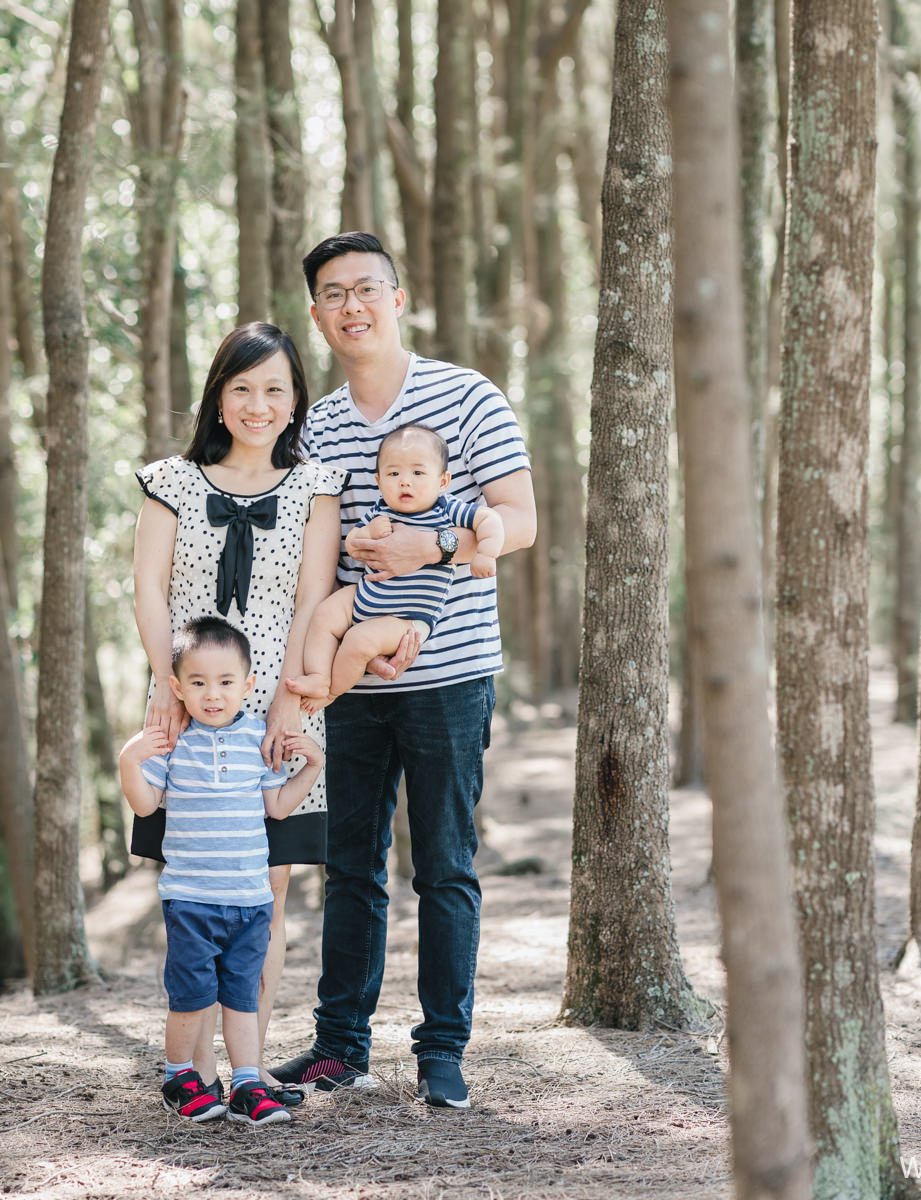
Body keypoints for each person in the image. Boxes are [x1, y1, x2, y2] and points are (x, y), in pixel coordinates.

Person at [275, 232, 537, 1110]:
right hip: (353, 685)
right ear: (316, 314)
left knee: (445, 867)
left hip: (450, 676)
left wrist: (436, 541)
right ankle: (340, 1046)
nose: (352, 306)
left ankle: (443, 1051)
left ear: (396, 297)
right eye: (333, 295)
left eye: (366, 289)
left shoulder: (466, 395)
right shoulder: (317, 425)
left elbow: (521, 520)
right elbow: (315, 555)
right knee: (351, 867)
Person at [131, 322, 346, 1103]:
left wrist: (289, 702)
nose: (259, 405)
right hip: (190, 703)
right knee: (194, 885)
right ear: (220, 398)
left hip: (280, 709)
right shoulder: (171, 481)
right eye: (243, 387)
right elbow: (148, 590)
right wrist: (166, 685)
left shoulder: (317, 488)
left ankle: (249, 1071)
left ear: (296, 404)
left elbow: (313, 602)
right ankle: (198, 1071)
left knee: (270, 887)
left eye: (275, 390)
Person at [119, 616, 325, 1125]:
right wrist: (128, 761)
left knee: (242, 999)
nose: (213, 694)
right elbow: (146, 806)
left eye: (226, 682)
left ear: (249, 684)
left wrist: (314, 766)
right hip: (191, 899)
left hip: (251, 900)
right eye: (198, 682)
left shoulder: (259, 738)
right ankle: (179, 1077)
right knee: (191, 999)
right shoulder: (172, 743)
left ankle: (248, 1085)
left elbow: (276, 807)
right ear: (177, 688)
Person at [288, 422, 504, 709]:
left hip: (406, 619)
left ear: (442, 481)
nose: (405, 481)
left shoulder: (445, 509)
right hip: (364, 596)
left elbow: (490, 519)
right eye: (394, 473)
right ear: (379, 482)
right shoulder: (379, 511)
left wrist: (486, 553)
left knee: (358, 641)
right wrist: (364, 536)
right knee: (325, 614)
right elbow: (352, 543)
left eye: (417, 472)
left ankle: (330, 692)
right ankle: (317, 674)